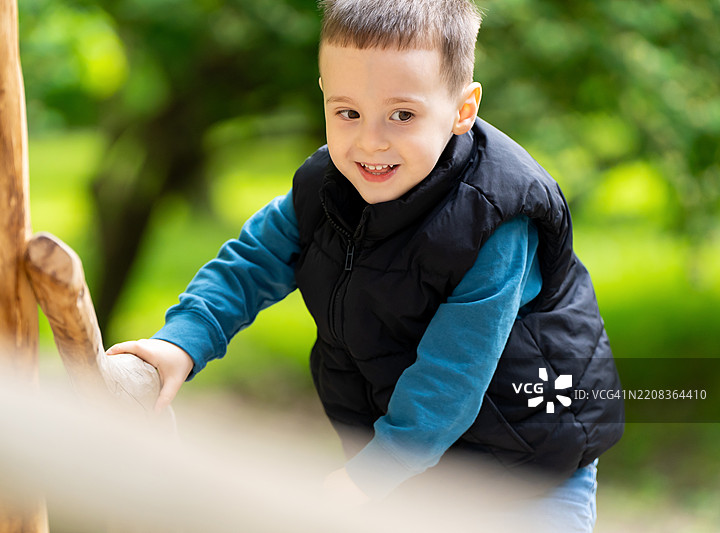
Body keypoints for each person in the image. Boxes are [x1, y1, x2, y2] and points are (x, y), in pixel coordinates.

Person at [107, 0, 623, 530]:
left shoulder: (497, 220)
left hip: (526, 469)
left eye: (403, 114)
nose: (370, 141)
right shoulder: (327, 188)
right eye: (348, 112)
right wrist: (181, 341)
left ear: (462, 110)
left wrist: (366, 479)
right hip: (409, 465)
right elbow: (252, 262)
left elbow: (452, 376)